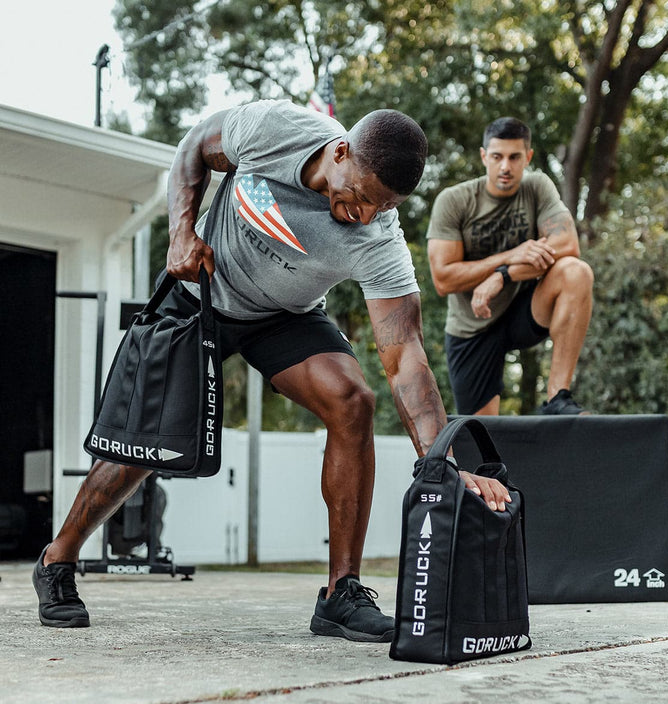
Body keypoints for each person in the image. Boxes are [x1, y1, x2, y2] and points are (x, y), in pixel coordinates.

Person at [32, 100, 512, 642]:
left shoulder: (379, 239)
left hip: (283, 316)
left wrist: (440, 462)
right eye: (357, 198)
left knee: (353, 401)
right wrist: (182, 232)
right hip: (202, 295)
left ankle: (340, 594)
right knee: (143, 451)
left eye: (382, 208)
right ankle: (58, 560)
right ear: (339, 151)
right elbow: (193, 149)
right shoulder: (275, 131)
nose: (365, 216)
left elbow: (404, 357)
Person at [426, 117, 594, 416]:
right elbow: (443, 279)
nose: (506, 166)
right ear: (483, 157)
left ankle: (557, 398)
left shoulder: (537, 186)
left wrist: (503, 276)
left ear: (527, 157)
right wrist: (509, 256)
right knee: (480, 441)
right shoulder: (455, 201)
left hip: (522, 309)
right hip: (472, 326)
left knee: (575, 271)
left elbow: (567, 245)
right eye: (497, 157)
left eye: (515, 157)